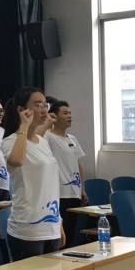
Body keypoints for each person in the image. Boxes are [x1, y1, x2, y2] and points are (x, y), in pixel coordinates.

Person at [1, 87, 65, 261]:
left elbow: (50, 187)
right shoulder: (10, 141)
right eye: (38, 105)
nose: (44, 110)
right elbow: (16, 161)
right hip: (27, 229)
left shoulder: (43, 142)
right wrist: (24, 125)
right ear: (21, 110)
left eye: (45, 105)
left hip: (51, 226)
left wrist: (58, 222)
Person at [43, 100, 87, 247]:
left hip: (74, 193)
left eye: (70, 113)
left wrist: (82, 190)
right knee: (61, 236)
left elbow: (78, 165)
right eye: (65, 113)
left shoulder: (72, 139)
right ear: (55, 116)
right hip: (60, 194)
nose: (70, 116)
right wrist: (47, 123)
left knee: (71, 233)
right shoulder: (48, 137)